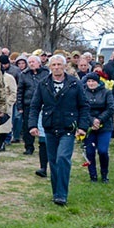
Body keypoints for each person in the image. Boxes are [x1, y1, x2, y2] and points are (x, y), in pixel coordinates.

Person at [29, 54, 89, 205]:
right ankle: (56, 192)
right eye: (53, 65)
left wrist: (82, 126)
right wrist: (32, 125)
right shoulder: (43, 84)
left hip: (68, 127)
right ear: (49, 67)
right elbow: (35, 106)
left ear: (64, 66)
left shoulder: (75, 83)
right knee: (54, 161)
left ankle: (62, 194)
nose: (56, 67)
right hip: (50, 128)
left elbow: (84, 106)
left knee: (63, 158)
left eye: (59, 65)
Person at [83, 72, 114, 182]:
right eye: (89, 81)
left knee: (102, 151)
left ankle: (104, 173)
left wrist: (99, 120)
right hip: (89, 126)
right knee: (90, 152)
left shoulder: (107, 92)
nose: (91, 83)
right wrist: (92, 120)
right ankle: (93, 175)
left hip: (105, 126)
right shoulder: (83, 93)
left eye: (93, 81)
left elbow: (110, 108)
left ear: (98, 82)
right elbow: (82, 108)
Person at [0, 55, 18, 152]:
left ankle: (2, 142)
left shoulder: (9, 78)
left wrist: (8, 103)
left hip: (6, 105)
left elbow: (14, 92)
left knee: (4, 127)